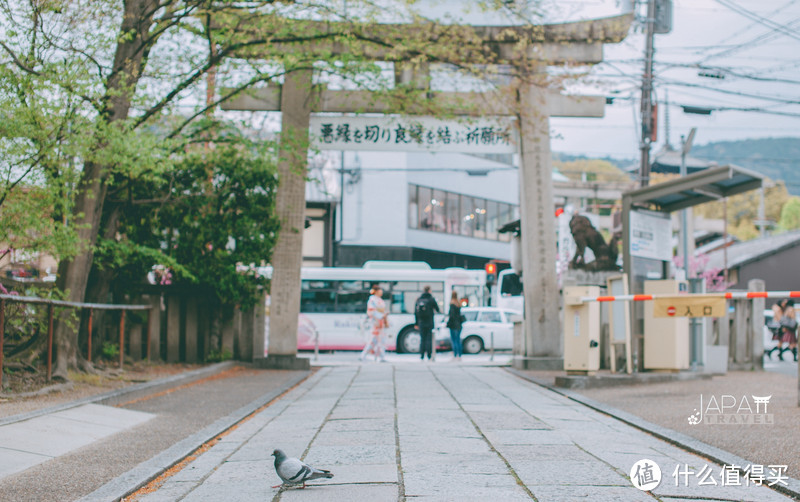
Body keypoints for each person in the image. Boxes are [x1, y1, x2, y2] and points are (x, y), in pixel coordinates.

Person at [359, 286, 388, 362]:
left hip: (381, 322)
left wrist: (384, 316)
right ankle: (364, 355)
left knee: (381, 340)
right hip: (375, 322)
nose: (381, 292)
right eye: (380, 290)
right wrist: (381, 316)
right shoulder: (372, 300)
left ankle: (381, 356)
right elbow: (371, 312)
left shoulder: (380, 300)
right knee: (373, 340)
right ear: (376, 291)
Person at [414, 285, 440, 361]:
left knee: (422, 339)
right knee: (429, 339)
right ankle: (429, 355)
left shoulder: (419, 299)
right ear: (429, 290)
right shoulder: (431, 299)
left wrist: (416, 323)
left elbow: (415, 312)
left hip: (421, 322)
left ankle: (421, 355)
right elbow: (437, 309)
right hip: (429, 322)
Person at [446, 291, 464, 360]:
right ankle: (459, 355)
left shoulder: (452, 304)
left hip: (453, 325)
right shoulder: (458, 303)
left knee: (454, 340)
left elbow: (451, 316)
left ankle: (455, 355)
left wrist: (448, 323)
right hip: (459, 325)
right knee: (458, 340)